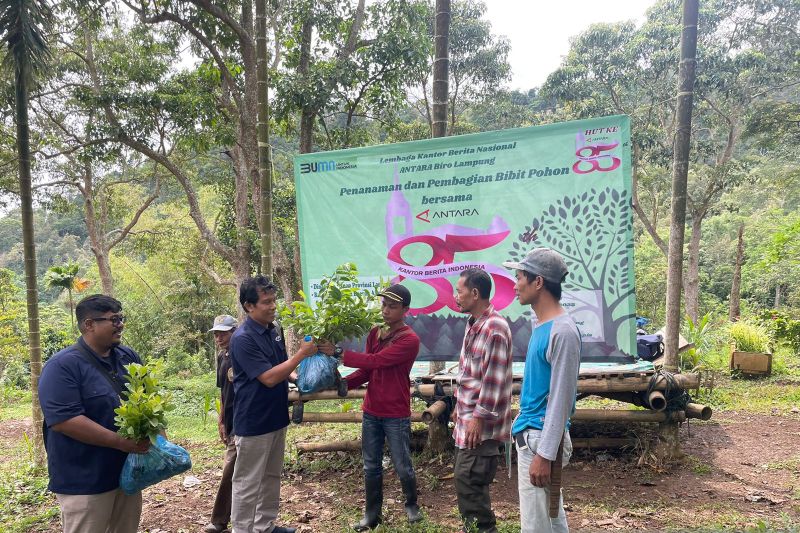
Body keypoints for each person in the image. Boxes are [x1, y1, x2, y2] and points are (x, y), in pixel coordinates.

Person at [38, 294, 150, 533]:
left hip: (127, 474)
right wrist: (121, 442)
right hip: (84, 480)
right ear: (89, 324)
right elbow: (65, 421)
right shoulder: (61, 366)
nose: (120, 324)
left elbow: (146, 401)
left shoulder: (128, 357)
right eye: (114, 319)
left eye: (121, 318)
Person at [319, 284, 422, 531]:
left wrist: (340, 352)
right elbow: (368, 369)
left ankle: (411, 504)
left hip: (395, 412)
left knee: (402, 464)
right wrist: (345, 382)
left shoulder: (410, 339)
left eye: (392, 306)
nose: (386, 310)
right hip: (372, 410)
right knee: (370, 465)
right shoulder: (375, 333)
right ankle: (372, 515)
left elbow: (378, 361)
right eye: (384, 304)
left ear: (405, 310)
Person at [229, 276, 317, 533]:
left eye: (273, 300)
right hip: (254, 422)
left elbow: (280, 366)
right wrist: (302, 354)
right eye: (266, 302)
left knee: (270, 477)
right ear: (249, 306)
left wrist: (298, 378)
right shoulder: (243, 338)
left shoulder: (272, 330)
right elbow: (267, 378)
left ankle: (264, 526)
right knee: (247, 483)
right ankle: (242, 530)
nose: (273, 306)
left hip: (276, 416)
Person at [503, 248, 581, 533]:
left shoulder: (563, 331)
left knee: (535, 526)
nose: (515, 284)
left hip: (541, 439)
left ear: (538, 282)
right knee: (551, 519)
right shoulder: (543, 326)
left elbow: (561, 398)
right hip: (533, 434)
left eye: (520, 276)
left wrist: (545, 455)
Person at [452, 268, 514, 533]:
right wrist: (458, 409)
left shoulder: (495, 328)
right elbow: (469, 374)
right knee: (466, 483)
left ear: (475, 293)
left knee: (471, 483)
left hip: (481, 426)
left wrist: (478, 418)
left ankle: (483, 530)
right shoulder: (473, 325)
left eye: (460, 291)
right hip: (467, 421)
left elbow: (494, 380)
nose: (456, 296)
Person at [204, 314, 239, 533]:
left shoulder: (243, 354)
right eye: (217, 334)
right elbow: (223, 393)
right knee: (236, 469)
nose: (219, 338)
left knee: (231, 469)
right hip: (231, 419)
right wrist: (221, 420)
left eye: (223, 333)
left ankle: (219, 521)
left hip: (246, 422)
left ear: (235, 332)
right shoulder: (221, 356)